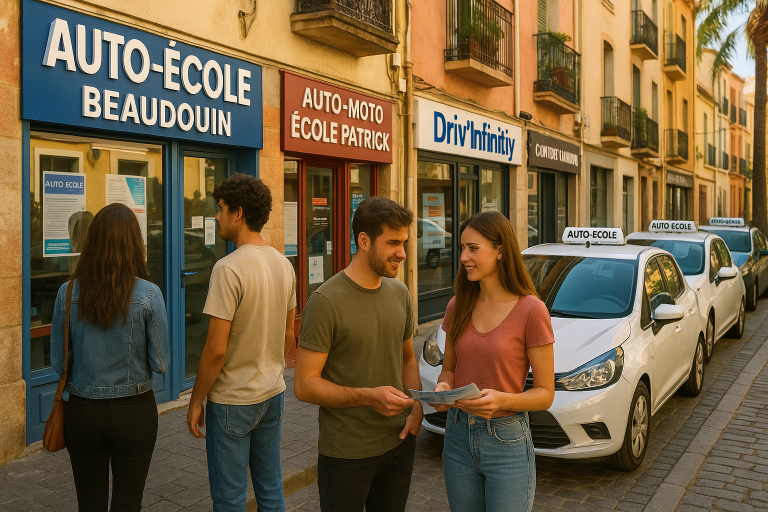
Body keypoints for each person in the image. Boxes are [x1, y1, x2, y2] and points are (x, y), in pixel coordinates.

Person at [294, 196, 422, 512]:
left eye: (404, 243)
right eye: (393, 243)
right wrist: (368, 397)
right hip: (346, 455)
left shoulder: (400, 292)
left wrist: (418, 406)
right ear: (363, 241)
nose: (402, 253)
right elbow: (304, 385)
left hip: (399, 444)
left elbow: (407, 357)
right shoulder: (325, 301)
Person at [186, 173, 296, 512]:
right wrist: (268, 366)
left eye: (220, 209)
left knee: (230, 500)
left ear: (238, 213)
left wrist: (196, 401)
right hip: (272, 393)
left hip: (233, 400)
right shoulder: (283, 264)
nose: (216, 217)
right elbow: (290, 335)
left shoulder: (228, 269)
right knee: (270, 491)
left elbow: (216, 349)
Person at [432, 211, 555, 512]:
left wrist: (502, 399)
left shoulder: (531, 310)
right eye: (462, 248)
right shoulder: (457, 305)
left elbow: (545, 393)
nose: (464, 257)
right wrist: (443, 388)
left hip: (507, 441)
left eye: (473, 248)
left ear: (500, 250)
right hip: (457, 436)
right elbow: (448, 369)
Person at [51, 203, 170, 512]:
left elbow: (58, 364)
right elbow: (161, 363)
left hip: (82, 410)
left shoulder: (68, 291)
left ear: (91, 242)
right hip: (133, 411)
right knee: (128, 503)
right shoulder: (149, 294)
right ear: (135, 243)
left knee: (89, 504)